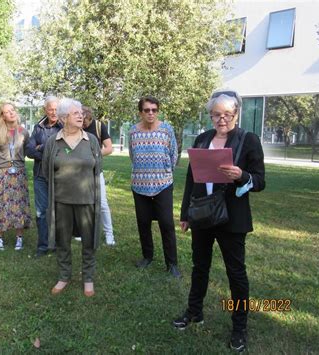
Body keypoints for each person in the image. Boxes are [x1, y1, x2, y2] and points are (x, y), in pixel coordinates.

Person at [173, 90, 265, 353]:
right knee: (199, 266)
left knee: (236, 273)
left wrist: (241, 175)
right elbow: (192, 179)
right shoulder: (202, 139)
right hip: (202, 213)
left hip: (232, 218)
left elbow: (260, 180)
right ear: (210, 115)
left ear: (236, 113)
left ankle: (239, 327)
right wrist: (185, 214)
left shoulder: (248, 140)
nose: (221, 119)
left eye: (226, 114)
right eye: (216, 114)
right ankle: (194, 312)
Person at [42, 98, 102, 297]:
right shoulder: (53, 142)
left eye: (81, 113)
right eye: (76, 113)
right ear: (64, 117)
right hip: (61, 201)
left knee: (88, 240)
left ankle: (88, 278)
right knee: (62, 240)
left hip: (87, 200)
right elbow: (46, 170)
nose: (81, 116)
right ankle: (64, 275)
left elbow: (98, 167)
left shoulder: (91, 140)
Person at [128, 95, 180, 277]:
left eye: (154, 110)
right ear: (140, 112)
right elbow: (132, 155)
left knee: (166, 224)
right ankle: (147, 256)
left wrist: (164, 173)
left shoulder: (166, 129)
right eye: (147, 110)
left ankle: (172, 263)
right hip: (139, 185)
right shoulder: (133, 131)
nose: (151, 113)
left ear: (158, 111)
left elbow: (174, 154)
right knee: (143, 223)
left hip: (163, 184)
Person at [0, 103, 31, 251]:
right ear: (2, 116)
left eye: (12, 110)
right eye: (7, 112)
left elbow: (24, 152)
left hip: (18, 172)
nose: (11, 113)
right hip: (1, 172)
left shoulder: (23, 132)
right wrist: (4, 163)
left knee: (19, 204)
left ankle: (19, 237)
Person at [25, 96, 62, 257]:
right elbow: (29, 151)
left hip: (59, 174)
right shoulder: (38, 127)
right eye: (50, 109)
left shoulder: (65, 127)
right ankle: (43, 246)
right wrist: (45, 150)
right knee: (41, 212)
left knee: (60, 211)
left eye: (56, 109)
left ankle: (59, 245)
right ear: (45, 110)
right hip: (40, 175)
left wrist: (41, 147)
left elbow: (63, 151)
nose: (53, 112)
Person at [82, 106, 116, 246]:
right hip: (80, 172)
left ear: (90, 118)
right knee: (84, 203)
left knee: (102, 204)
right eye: (80, 121)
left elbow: (109, 148)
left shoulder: (98, 126)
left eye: (85, 122)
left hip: (96, 171)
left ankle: (109, 234)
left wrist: (92, 155)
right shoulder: (75, 127)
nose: (82, 125)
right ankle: (83, 231)